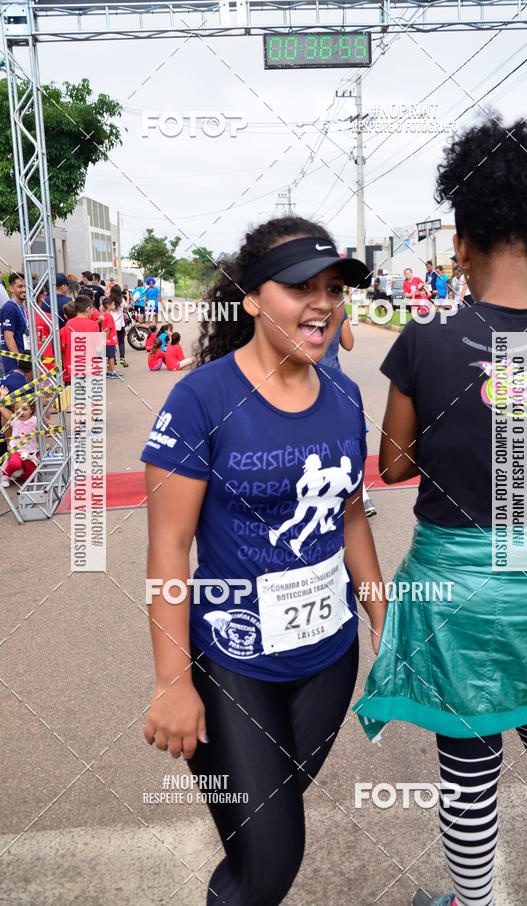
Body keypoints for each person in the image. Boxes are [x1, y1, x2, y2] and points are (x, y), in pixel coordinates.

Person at [355, 118, 527, 906]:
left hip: (455, 594)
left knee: (467, 757)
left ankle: (475, 899)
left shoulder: (424, 341)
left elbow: (395, 465)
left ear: (458, 246)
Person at [141, 216, 386, 906]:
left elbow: (351, 514)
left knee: (259, 853)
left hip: (328, 660)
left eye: (333, 288)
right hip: (232, 664)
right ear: (251, 298)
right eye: (300, 286)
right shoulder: (202, 399)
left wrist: (383, 618)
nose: (322, 303)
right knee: (270, 862)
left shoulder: (344, 395)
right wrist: (171, 681)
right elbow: (168, 546)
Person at [319, 305, 377, 519]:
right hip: (335, 380)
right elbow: (349, 343)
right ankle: (361, 494)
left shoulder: (295, 306)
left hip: (304, 380)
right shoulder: (337, 307)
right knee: (348, 437)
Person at [0, 392, 48, 488]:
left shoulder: (35, 420)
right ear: (14, 411)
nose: (21, 412)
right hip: (16, 450)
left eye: (25, 409)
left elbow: (45, 425)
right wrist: (2, 397)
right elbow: (2, 408)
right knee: (15, 464)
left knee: (32, 478)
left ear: (31, 410)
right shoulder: (14, 420)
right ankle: (5, 476)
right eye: (17, 410)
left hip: (30, 452)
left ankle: (19, 473)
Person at [59, 296, 100, 385]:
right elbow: (98, 348)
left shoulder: (68, 324)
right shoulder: (94, 325)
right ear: (88, 309)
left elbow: (64, 345)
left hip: (73, 368)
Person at [0, 272, 30, 375]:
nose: (24, 289)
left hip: (24, 361)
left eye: (25, 286)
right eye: (20, 286)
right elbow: (8, 336)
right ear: (11, 288)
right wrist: (19, 359)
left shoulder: (21, 307)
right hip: (14, 364)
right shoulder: (10, 308)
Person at [110, 284, 129, 368]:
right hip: (120, 324)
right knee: (121, 341)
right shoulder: (121, 300)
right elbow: (126, 308)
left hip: (112, 324)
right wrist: (127, 297)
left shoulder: (109, 300)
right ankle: (122, 358)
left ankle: (113, 360)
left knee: (112, 342)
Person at [101, 297, 120, 379]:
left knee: (109, 356)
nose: (114, 306)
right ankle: (112, 371)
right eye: (113, 305)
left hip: (108, 339)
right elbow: (108, 328)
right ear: (108, 306)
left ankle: (109, 371)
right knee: (111, 356)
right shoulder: (108, 316)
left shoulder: (104, 315)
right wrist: (105, 339)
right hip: (110, 340)